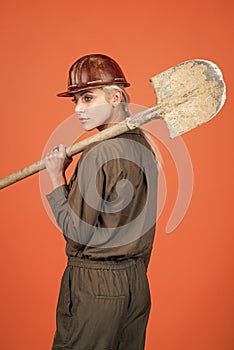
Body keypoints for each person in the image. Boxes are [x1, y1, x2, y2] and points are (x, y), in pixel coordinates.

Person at [45, 53, 159, 350]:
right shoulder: (143, 146)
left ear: (116, 97)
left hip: (96, 286)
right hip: (136, 283)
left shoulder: (98, 154)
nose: (79, 109)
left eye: (87, 98)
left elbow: (76, 232)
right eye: (75, 101)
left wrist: (57, 177)